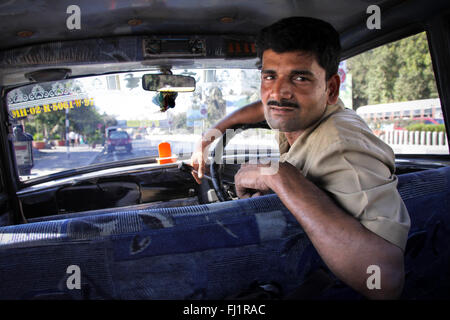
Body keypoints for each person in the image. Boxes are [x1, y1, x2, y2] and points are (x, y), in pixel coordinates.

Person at [190, 17, 410, 299]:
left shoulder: (341, 149)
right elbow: (267, 104)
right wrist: (208, 139)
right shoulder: (306, 114)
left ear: (331, 88)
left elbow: (385, 281)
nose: (278, 92)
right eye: (269, 76)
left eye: (300, 77)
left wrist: (277, 174)